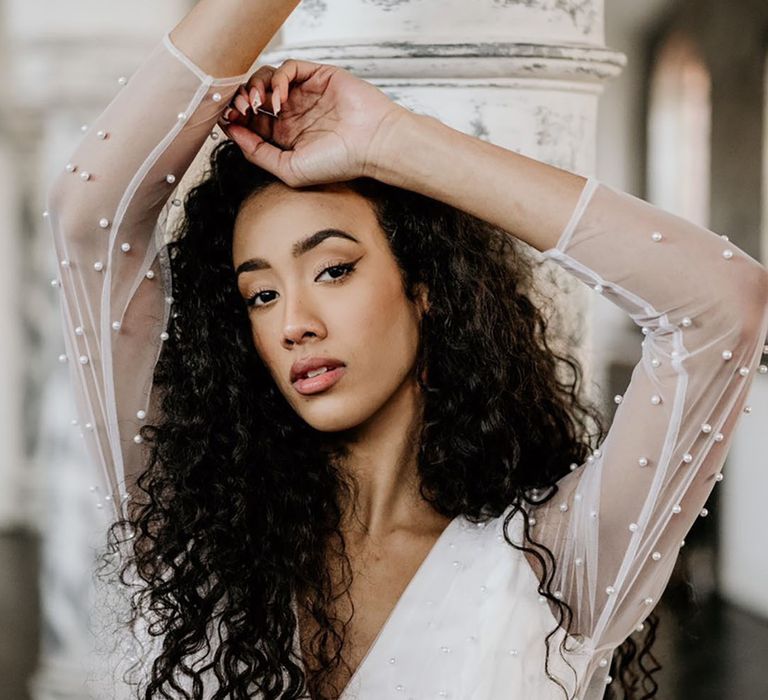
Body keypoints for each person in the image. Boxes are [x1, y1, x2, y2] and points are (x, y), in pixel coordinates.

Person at [45, 1, 768, 698]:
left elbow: (721, 304)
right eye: (260, 294)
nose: (293, 321)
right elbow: (90, 218)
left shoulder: (551, 557)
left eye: (333, 269)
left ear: (424, 286)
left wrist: (392, 140)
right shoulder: (194, 522)